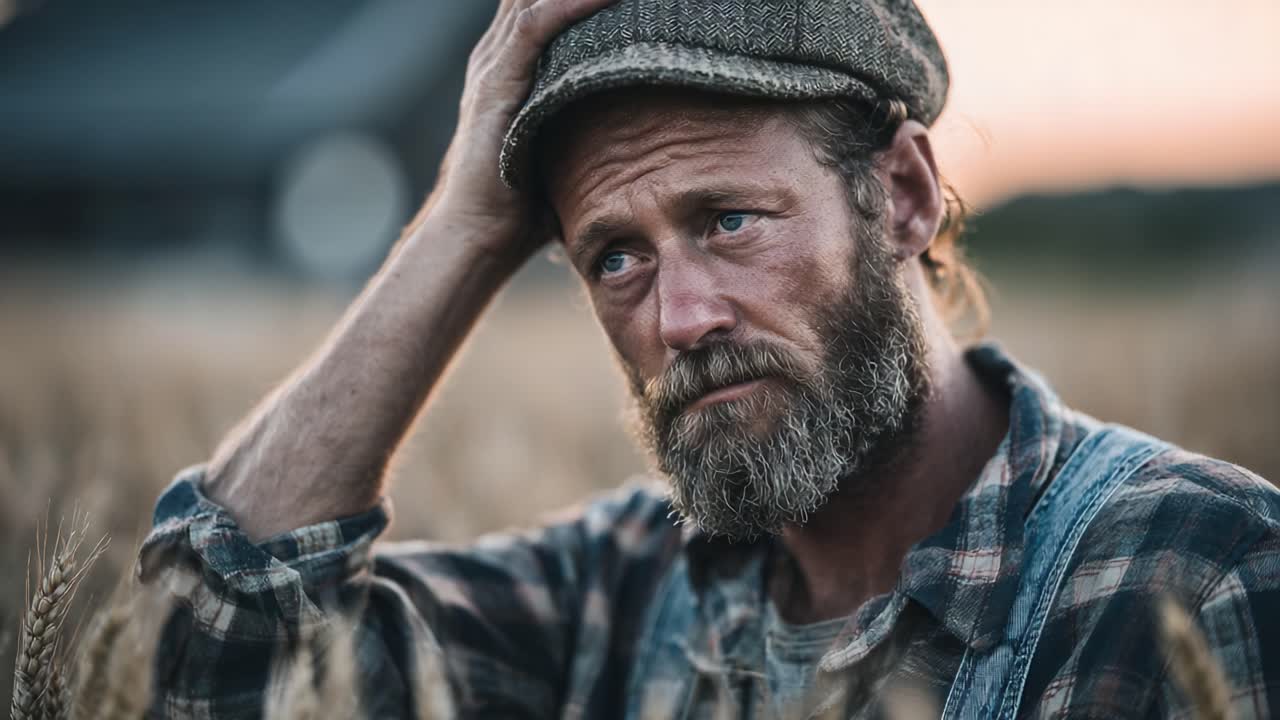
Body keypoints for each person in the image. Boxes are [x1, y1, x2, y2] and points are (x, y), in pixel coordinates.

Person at [138, 0, 1280, 717]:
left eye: (729, 220)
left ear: (901, 196)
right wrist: (458, 229)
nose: (678, 318)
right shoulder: (616, 597)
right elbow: (214, 664)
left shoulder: (1188, 571)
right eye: (615, 257)